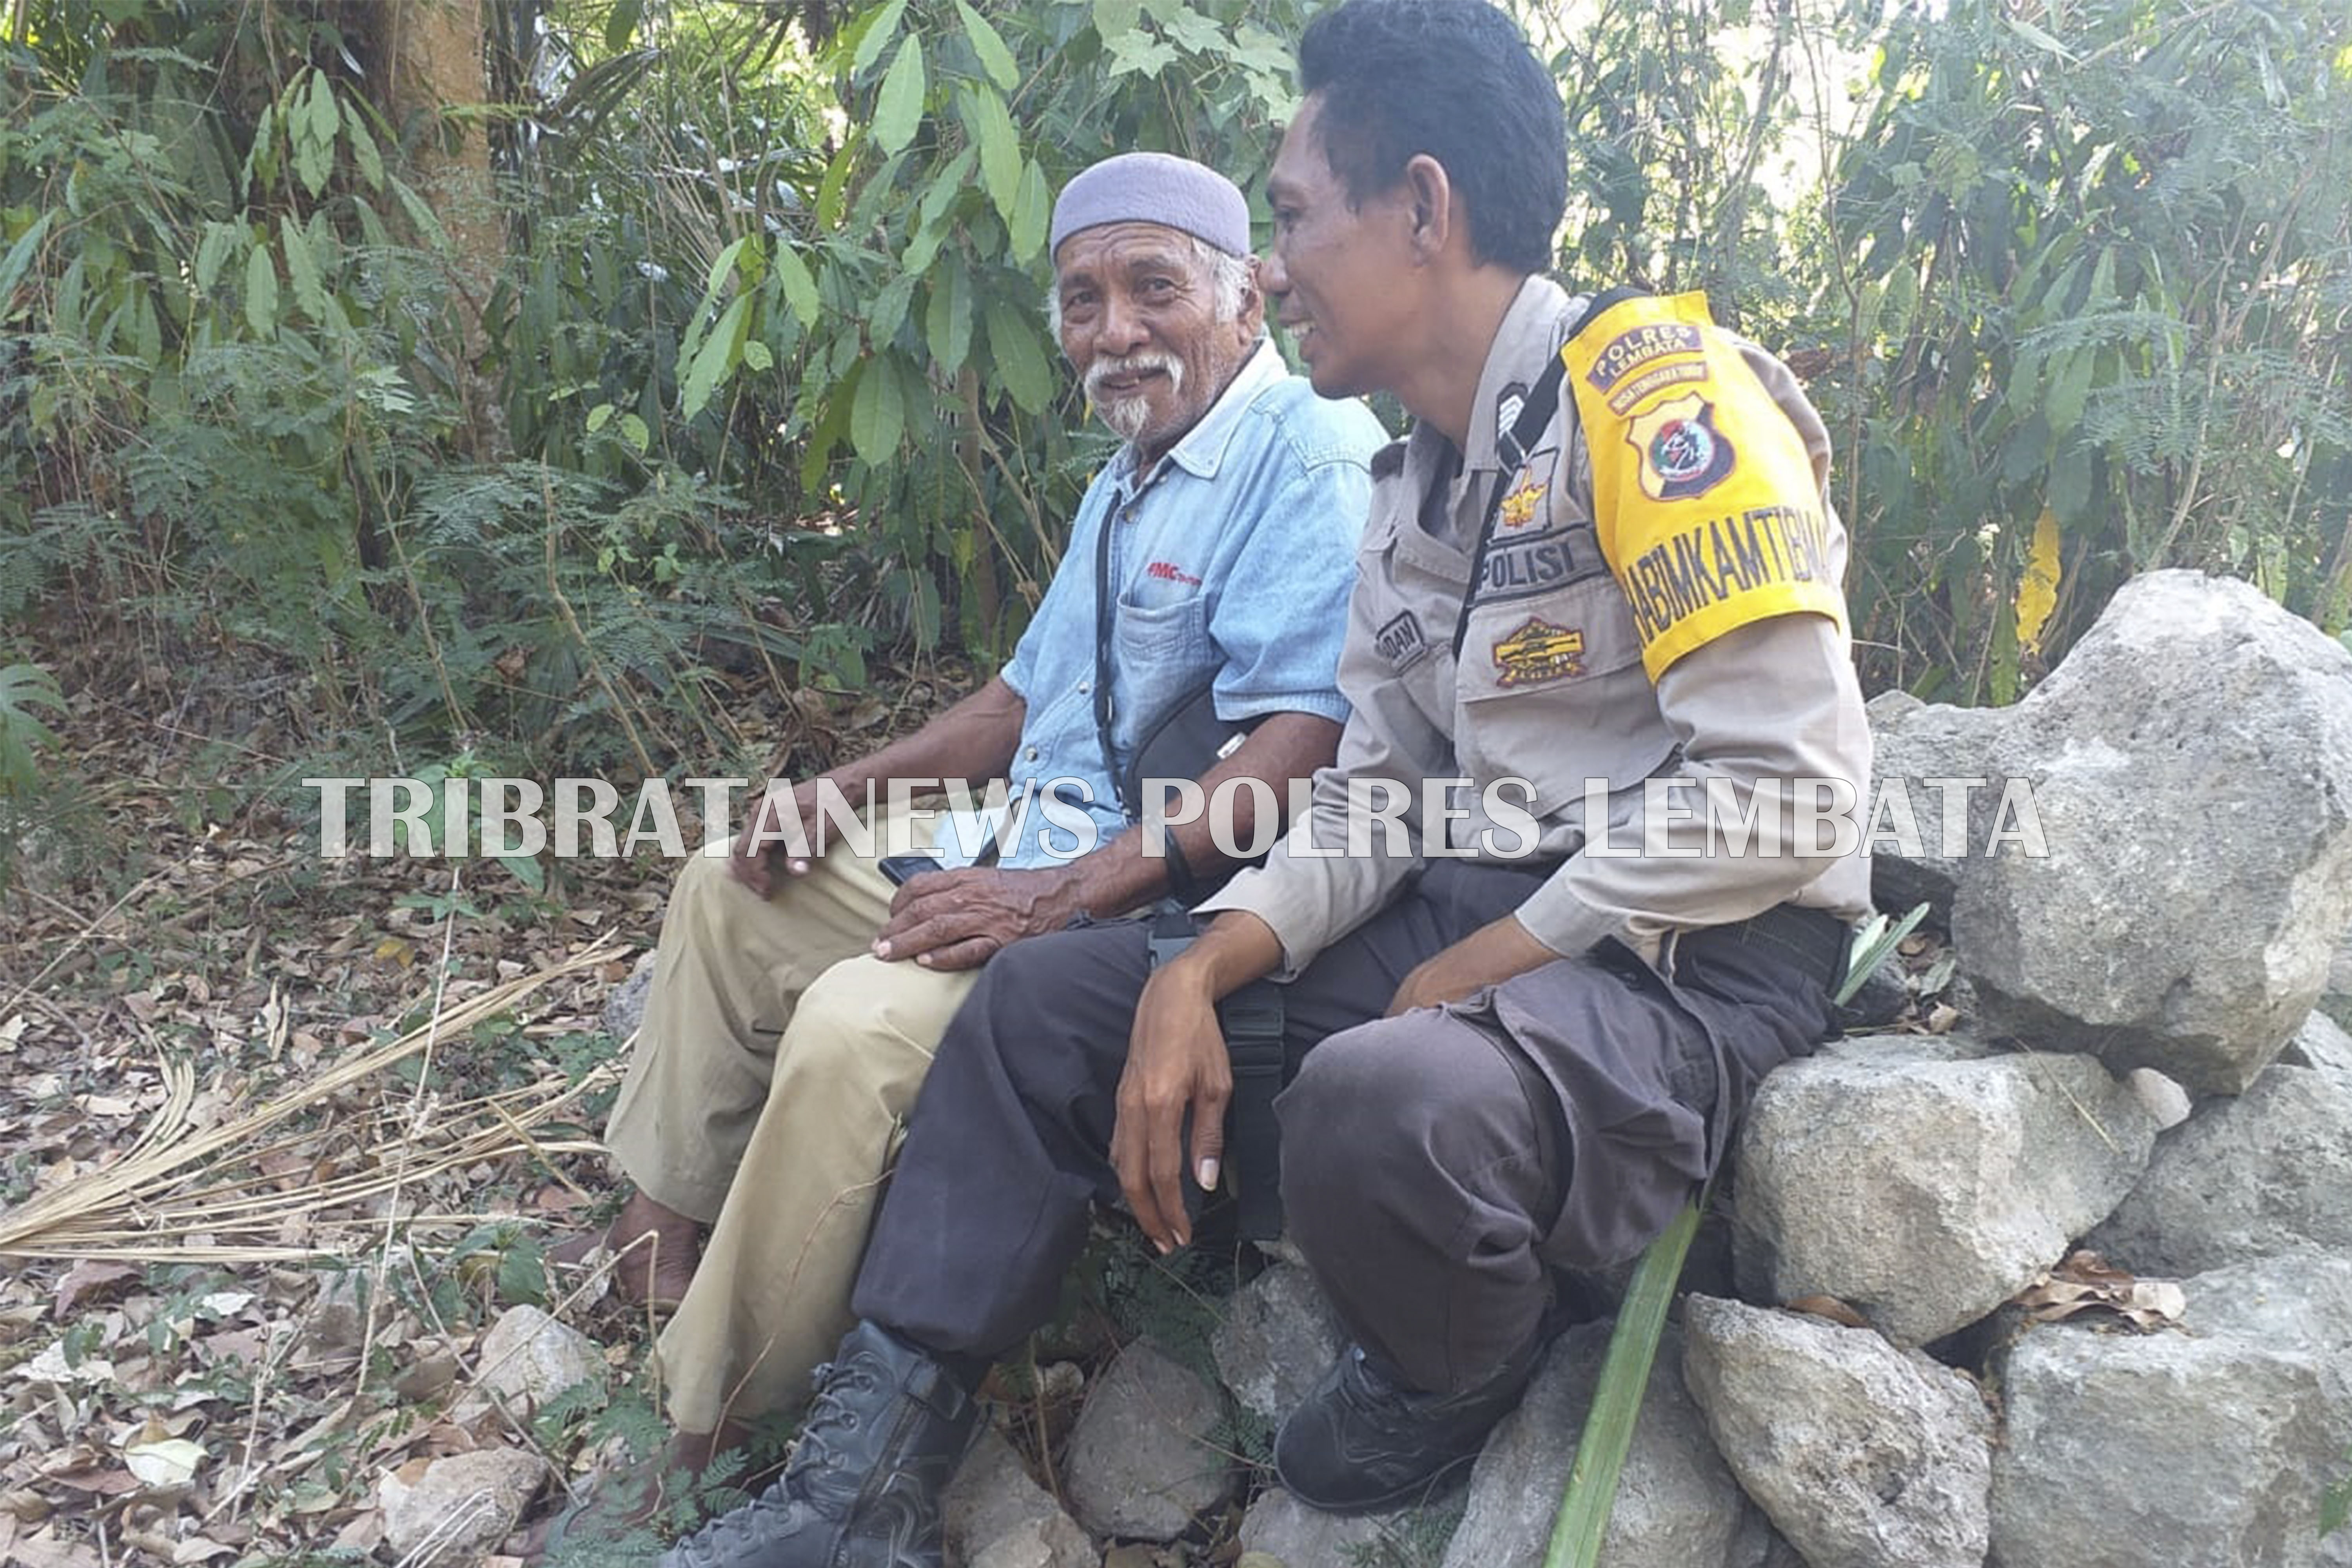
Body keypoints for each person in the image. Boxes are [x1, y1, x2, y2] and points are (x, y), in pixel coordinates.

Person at [653, 0, 1874, 1562]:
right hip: (1473, 900)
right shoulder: (1418, 484)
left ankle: (1463, 1354)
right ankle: (862, 1489)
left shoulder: (1659, 402)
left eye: (1294, 215)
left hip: (1688, 958)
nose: (1276, 263)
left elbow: (1788, 791)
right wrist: (1213, 954)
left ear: (1424, 208)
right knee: (1054, 1001)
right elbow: (1375, 791)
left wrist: (1482, 960)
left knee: (1389, 1093)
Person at [556, 151, 1387, 1529]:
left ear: (1244, 299)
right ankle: (670, 1237)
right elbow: (1019, 700)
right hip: (1019, 840)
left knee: (852, 1027)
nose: (1115, 330)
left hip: (1136, 893)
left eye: (1153, 288)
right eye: (1082, 298)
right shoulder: (1127, 480)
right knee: (730, 883)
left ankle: (708, 1418)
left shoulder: (1308, 459)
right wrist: (841, 785)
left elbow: (1299, 750)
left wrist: (1055, 897)